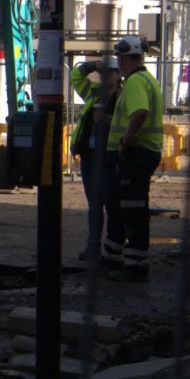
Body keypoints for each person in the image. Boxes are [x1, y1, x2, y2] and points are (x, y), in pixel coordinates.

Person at [103, 35, 164, 281]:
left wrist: (125, 139)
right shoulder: (148, 79)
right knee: (124, 207)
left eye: (120, 57)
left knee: (133, 210)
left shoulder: (136, 82)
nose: (118, 62)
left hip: (136, 153)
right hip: (142, 153)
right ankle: (117, 259)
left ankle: (136, 266)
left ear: (127, 58)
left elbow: (140, 112)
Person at [70, 55, 122, 261]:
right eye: (103, 72)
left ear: (118, 75)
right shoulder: (94, 92)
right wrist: (93, 65)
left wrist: (108, 120)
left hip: (110, 158)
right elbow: (75, 75)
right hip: (90, 157)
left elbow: (130, 122)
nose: (105, 76)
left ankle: (112, 249)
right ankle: (93, 246)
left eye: (109, 72)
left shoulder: (123, 96)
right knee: (94, 204)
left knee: (112, 204)